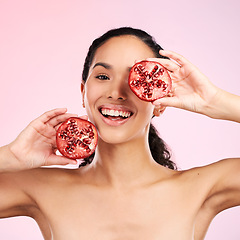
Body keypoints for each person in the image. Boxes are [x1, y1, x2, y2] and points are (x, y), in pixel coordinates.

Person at [0, 27, 239, 240]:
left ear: (160, 101)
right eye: (103, 76)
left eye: (137, 78)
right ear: (83, 92)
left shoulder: (201, 189)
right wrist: (11, 156)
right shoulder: (42, 188)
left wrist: (215, 102)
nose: (116, 92)